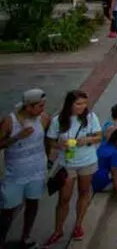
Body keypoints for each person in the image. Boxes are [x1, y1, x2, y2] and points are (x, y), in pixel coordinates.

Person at [43, 90, 103, 247]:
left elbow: (99, 136)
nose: (82, 107)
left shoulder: (91, 117)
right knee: (64, 198)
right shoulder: (58, 120)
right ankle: (58, 230)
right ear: (70, 104)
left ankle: (78, 225)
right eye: (78, 104)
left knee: (84, 193)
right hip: (67, 163)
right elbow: (50, 140)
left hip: (87, 160)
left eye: (84, 103)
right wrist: (60, 145)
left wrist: (88, 139)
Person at [0, 89, 50, 247]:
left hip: (37, 170)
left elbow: (47, 140)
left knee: (33, 203)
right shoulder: (10, 121)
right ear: (28, 107)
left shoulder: (44, 118)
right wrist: (17, 137)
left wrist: (48, 159)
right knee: (8, 209)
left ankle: (26, 236)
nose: (42, 109)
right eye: (39, 106)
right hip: (15, 173)